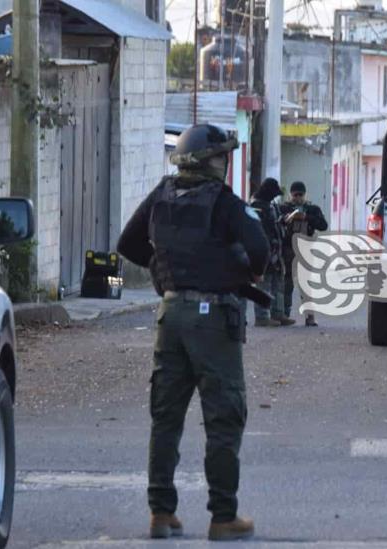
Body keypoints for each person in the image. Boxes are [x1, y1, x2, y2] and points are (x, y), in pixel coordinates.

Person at [117, 124, 269, 542]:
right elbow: (259, 249)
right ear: (208, 162)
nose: (225, 163)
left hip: (170, 315)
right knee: (223, 418)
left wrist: (167, 266)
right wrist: (235, 269)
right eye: (222, 157)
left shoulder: (161, 196)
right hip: (212, 319)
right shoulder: (224, 203)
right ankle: (223, 517)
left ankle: (161, 515)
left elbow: (128, 243)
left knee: (165, 418)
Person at [280, 181, 328, 327]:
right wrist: (288, 218)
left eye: (300, 195)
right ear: (290, 195)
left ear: (305, 194)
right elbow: (278, 223)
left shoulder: (312, 209)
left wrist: (306, 217)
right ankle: (285, 314)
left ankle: (310, 316)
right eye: (295, 195)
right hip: (288, 249)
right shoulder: (283, 208)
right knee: (286, 283)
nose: (298, 198)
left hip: (305, 249)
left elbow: (323, 225)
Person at [250, 177, 294, 327]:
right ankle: (262, 317)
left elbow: (275, 223)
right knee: (264, 284)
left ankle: (278, 313)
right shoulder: (256, 206)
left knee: (278, 283)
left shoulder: (271, 205)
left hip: (276, 249)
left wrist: (283, 221)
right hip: (264, 249)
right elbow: (257, 228)